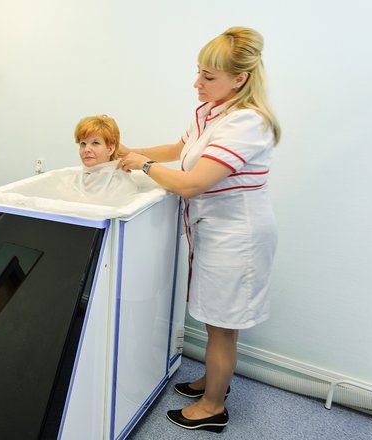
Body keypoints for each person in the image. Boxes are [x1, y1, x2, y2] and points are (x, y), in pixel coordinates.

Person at [117, 26, 280, 433]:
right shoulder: (211, 112)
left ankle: (212, 407)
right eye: (198, 72)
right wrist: (126, 150)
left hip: (238, 238)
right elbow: (180, 149)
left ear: (239, 78)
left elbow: (192, 183)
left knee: (222, 327)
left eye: (208, 76)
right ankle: (213, 381)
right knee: (216, 321)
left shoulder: (247, 123)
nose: (197, 83)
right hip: (215, 231)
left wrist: (143, 165)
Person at [70, 115, 138, 202]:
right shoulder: (74, 179)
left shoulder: (120, 184)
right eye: (83, 143)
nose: (86, 149)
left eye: (95, 143)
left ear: (110, 149)